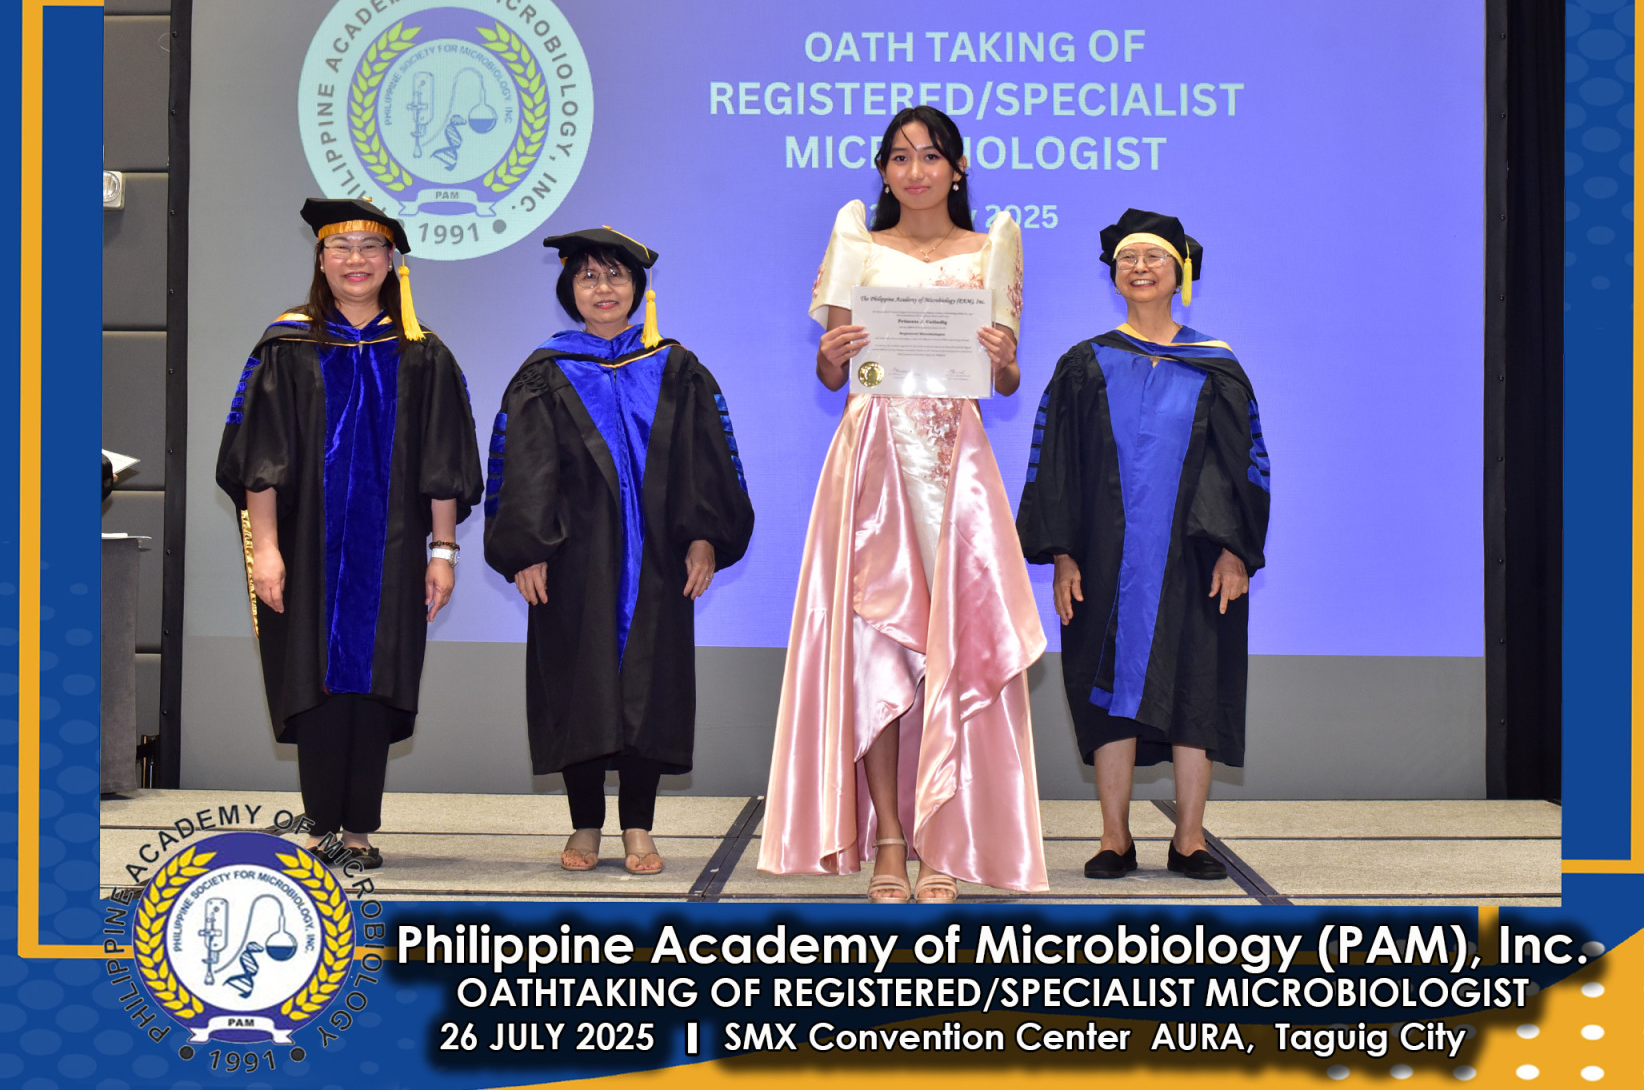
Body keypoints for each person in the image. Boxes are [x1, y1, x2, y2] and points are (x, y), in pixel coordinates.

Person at [760, 106, 1048, 903]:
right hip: (874, 461)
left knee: (954, 648)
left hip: (957, 469)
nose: (914, 170)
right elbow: (834, 376)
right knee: (876, 647)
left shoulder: (992, 247)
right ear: (884, 170)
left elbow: (1003, 383)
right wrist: (829, 356)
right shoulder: (857, 242)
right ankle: (890, 836)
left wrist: (1007, 361)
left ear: (958, 167)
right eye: (899, 157)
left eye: (930, 156)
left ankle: (942, 842)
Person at [216, 197, 483, 868]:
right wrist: (265, 550)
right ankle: (319, 829)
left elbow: (443, 464)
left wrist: (443, 552)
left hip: (393, 551)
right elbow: (260, 461)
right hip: (306, 549)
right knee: (315, 683)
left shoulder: (422, 352)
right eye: (342, 247)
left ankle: (359, 831)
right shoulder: (287, 346)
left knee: (373, 685)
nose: (356, 260)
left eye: (371, 247)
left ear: (393, 262)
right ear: (321, 259)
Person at [483, 228, 754, 876]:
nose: (603, 288)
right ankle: (584, 823)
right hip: (571, 560)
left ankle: (638, 825)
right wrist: (527, 548)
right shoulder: (546, 371)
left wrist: (704, 539)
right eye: (588, 277)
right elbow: (523, 467)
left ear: (637, 288)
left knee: (648, 690)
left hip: (659, 558)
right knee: (576, 686)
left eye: (616, 276)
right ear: (569, 289)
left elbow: (707, 460)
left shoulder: (676, 368)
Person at [1016, 209, 1270, 880]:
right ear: (1114, 275)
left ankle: (1189, 839)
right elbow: (1055, 464)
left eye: (1154, 256)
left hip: (1195, 558)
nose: (1139, 267)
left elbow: (1243, 464)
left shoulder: (1217, 366)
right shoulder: (1083, 364)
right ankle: (1114, 837)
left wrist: (1236, 549)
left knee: (1197, 688)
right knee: (1107, 694)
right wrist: (1062, 554)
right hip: (1103, 559)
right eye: (1128, 258)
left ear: (1180, 271)